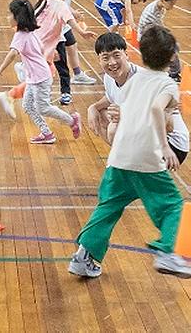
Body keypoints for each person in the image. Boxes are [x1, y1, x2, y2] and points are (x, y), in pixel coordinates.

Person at [69, 25, 191, 279]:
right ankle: (171, 253)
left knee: (108, 206)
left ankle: (84, 256)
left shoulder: (135, 80)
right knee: (172, 206)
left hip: (119, 157)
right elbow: (157, 111)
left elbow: (132, 110)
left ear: (137, 54)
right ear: (171, 58)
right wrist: (165, 146)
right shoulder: (167, 84)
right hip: (147, 156)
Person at [0, 0, 96, 118]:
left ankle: (17, 85)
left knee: (44, 75)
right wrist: (82, 32)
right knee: (44, 75)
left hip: (36, 44)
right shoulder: (60, 5)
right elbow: (70, 21)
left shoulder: (43, 3)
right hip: (42, 48)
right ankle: (12, 93)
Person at [87, 32, 189, 163]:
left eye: (116, 56)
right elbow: (111, 97)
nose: (112, 63)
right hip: (151, 139)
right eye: (105, 58)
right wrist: (93, 107)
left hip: (173, 145)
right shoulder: (109, 78)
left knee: (115, 127)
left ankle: (128, 166)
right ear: (99, 59)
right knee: (102, 114)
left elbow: (168, 125)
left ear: (126, 55)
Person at [0, 0, 81, 144]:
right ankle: (47, 133)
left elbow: (12, 54)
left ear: (18, 17)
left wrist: (1, 68)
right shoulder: (31, 32)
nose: (7, 17)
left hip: (40, 78)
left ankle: (72, 120)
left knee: (43, 108)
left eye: (10, 14)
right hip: (34, 77)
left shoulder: (20, 36)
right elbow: (40, 48)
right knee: (27, 106)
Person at [57, 0, 96, 97]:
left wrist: (73, 11)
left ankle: (78, 74)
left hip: (64, 24)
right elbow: (59, 5)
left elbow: (64, 4)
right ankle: (25, 67)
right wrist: (77, 24)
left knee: (72, 46)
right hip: (58, 26)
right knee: (54, 58)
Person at [137, 0, 181, 82]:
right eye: (171, 4)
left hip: (153, 33)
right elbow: (150, 29)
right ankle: (174, 74)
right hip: (147, 37)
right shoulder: (151, 12)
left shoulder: (160, 7)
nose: (173, 7)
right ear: (162, 0)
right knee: (174, 48)